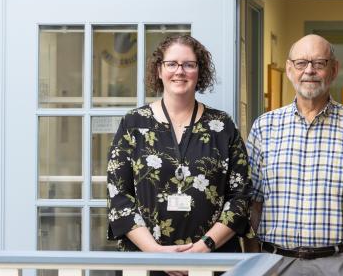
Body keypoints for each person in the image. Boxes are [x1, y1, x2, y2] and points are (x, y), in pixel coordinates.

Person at [246, 34, 343, 275]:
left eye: (319, 63)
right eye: (301, 63)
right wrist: (255, 258)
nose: (309, 71)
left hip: (338, 264)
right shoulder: (264, 127)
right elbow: (252, 203)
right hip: (273, 264)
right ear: (288, 69)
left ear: (334, 69)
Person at [107, 35, 252, 273]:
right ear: (159, 69)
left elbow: (240, 197)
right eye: (171, 64)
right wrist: (156, 254)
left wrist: (202, 249)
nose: (180, 71)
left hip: (212, 261)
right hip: (146, 262)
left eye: (189, 64)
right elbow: (119, 196)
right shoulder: (133, 123)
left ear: (199, 71)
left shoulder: (223, 125)